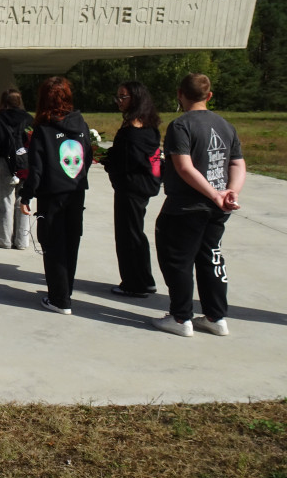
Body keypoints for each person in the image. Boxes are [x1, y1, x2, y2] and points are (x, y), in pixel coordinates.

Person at [152, 73, 245, 337]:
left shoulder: (181, 125)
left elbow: (183, 166)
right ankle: (216, 316)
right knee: (211, 258)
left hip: (186, 206)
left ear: (180, 94)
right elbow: (237, 163)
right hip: (217, 209)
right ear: (209, 96)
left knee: (178, 261)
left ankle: (181, 318)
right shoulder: (225, 125)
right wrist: (230, 192)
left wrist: (214, 194)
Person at [20, 76, 93, 315]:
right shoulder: (80, 122)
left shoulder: (44, 128)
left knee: (52, 243)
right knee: (71, 242)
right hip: (75, 191)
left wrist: (26, 196)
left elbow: (36, 168)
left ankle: (59, 299)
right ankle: (64, 291)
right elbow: (88, 156)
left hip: (52, 193)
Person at [102, 81, 162, 298]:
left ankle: (134, 283)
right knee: (135, 233)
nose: (118, 101)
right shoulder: (148, 126)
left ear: (135, 98)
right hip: (142, 187)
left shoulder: (132, 132)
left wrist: (106, 159)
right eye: (117, 96)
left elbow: (126, 161)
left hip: (131, 188)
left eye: (123, 97)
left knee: (128, 235)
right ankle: (144, 280)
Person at [0, 89, 33, 250]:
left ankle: (2, 238)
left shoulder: (0, 120)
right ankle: (22, 240)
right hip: (26, 163)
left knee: (4, 201)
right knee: (23, 200)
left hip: (7, 162)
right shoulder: (29, 119)